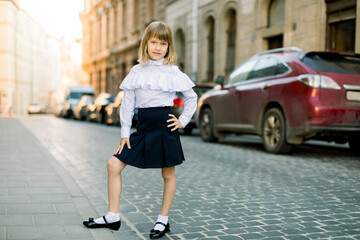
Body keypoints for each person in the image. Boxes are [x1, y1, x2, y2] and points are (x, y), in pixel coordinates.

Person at [83, 21, 197, 239]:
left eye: (163, 43)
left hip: (165, 126)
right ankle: (112, 216)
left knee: (168, 173)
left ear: (168, 47)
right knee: (113, 164)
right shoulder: (137, 70)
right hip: (142, 128)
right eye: (153, 42)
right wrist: (125, 134)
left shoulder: (173, 71)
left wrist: (183, 121)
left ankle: (163, 220)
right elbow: (127, 104)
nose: (157, 47)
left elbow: (192, 98)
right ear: (146, 44)